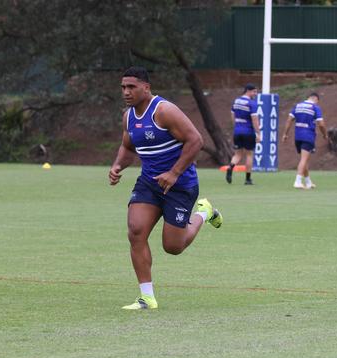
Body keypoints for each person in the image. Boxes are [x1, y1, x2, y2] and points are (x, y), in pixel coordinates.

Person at [108, 66, 223, 310]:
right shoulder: (128, 116)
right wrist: (118, 166)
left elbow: (196, 141)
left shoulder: (164, 111)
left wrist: (174, 173)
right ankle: (146, 297)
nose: (126, 92)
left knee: (173, 247)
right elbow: (128, 148)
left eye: (131, 87)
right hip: (149, 183)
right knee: (135, 231)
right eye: (123, 87)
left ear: (146, 88)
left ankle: (204, 212)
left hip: (180, 185)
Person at [282, 92, 327, 189]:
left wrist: (285, 134)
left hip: (297, 136)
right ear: (316, 99)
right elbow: (321, 124)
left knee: (305, 159)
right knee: (304, 159)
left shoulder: (298, 106)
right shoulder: (315, 107)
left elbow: (289, 120)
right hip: (308, 136)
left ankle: (308, 182)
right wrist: (325, 134)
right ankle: (297, 181)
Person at [226, 83, 261, 185]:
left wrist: (236, 126)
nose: (256, 94)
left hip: (237, 131)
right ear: (248, 91)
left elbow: (232, 115)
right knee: (249, 155)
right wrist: (258, 133)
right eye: (254, 91)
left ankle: (230, 168)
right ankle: (248, 179)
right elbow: (255, 120)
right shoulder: (252, 103)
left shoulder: (236, 101)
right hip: (248, 132)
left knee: (238, 154)